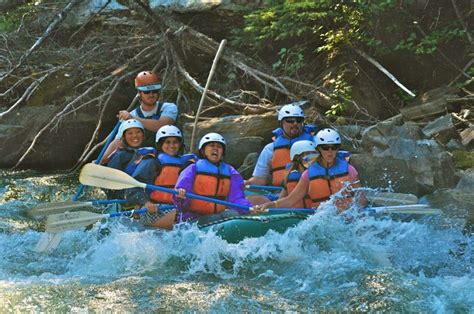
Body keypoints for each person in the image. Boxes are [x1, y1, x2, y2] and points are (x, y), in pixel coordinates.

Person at [254, 128, 365, 213]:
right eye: (325, 148)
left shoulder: (350, 170)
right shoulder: (308, 174)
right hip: (323, 220)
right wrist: (270, 205)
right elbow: (291, 200)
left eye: (334, 147)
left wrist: (353, 212)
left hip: (347, 216)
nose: (330, 151)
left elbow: (361, 198)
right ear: (318, 149)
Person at [172, 132, 255, 224]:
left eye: (219, 147)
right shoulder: (192, 169)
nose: (215, 148)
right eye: (211, 145)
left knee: (234, 214)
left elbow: (237, 198)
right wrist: (180, 197)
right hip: (193, 218)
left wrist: (248, 208)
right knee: (226, 217)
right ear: (203, 150)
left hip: (217, 216)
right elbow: (181, 199)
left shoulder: (230, 172)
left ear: (223, 152)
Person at [124, 125, 196, 227]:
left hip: (176, 208)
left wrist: (182, 196)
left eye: (175, 142)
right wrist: (146, 202)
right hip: (154, 208)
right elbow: (132, 187)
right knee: (182, 219)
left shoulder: (186, 165)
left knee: (188, 213)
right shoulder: (152, 162)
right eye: (167, 142)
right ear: (160, 144)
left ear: (180, 144)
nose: (172, 146)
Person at [101, 71, 178, 164]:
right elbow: (118, 142)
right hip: (142, 162)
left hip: (167, 158)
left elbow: (161, 125)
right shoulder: (132, 115)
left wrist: (132, 118)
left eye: (155, 91)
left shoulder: (169, 107)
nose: (151, 94)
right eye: (146, 91)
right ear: (139, 93)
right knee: (120, 155)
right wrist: (102, 160)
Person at [245, 103, 316, 187]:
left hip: (310, 190)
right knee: (254, 199)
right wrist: (245, 183)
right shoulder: (270, 148)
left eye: (299, 120)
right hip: (280, 192)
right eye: (290, 120)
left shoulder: (317, 144)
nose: (295, 123)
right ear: (281, 123)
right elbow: (259, 180)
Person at [105, 119, 156, 200]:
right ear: (124, 137)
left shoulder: (151, 153)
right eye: (130, 133)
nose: (135, 136)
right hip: (125, 197)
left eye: (138, 132)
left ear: (143, 135)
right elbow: (111, 182)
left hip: (147, 196)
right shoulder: (120, 155)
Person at [279, 140, 318, 208]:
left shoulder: (318, 174)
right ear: (297, 158)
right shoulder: (291, 177)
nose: (312, 157)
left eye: (314, 154)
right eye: (308, 153)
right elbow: (281, 199)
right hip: (297, 214)